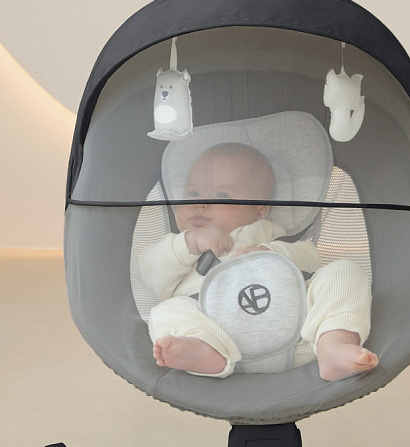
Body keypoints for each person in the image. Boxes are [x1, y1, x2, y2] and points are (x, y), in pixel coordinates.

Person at [139, 142, 378, 381]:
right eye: (193, 193)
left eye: (222, 195)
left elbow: (311, 261)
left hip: (296, 338)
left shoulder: (267, 233)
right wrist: (188, 243)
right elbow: (150, 274)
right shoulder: (178, 245)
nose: (201, 203)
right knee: (164, 311)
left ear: (259, 212)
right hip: (217, 335)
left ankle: (333, 344)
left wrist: (270, 252)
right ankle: (201, 349)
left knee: (345, 272)